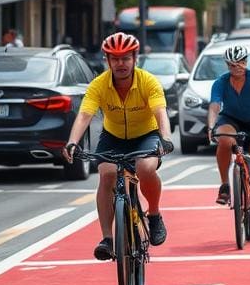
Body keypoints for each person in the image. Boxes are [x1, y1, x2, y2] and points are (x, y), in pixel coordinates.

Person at [62, 32, 174, 260]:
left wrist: (165, 138)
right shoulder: (99, 85)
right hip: (113, 137)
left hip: (146, 134)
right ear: (107, 60)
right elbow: (84, 115)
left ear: (135, 58)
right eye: (115, 58)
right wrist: (73, 141)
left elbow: (160, 113)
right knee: (106, 175)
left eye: (125, 58)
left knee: (145, 168)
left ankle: (153, 215)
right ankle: (107, 238)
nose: (120, 63)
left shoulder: (148, 82)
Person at [207, 44, 250, 210]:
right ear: (227, 65)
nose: (237, 67)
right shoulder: (220, 82)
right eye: (232, 64)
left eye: (241, 62)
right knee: (223, 140)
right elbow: (215, 106)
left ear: (246, 62)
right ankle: (225, 186)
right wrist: (210, 127)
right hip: (230, 119)